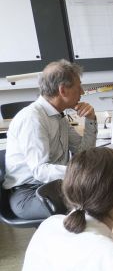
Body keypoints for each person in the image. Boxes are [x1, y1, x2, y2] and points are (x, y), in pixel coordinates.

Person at [2, 60, 97, 219]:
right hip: (29, 194)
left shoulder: (58, 116)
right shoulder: (33, 119)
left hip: (54, 186)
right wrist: (84, 173)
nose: (82, 91)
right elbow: (41, 171)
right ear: (63, 90)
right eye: (78, 86)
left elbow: (83, 153)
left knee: (104, 191)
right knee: (97, 200)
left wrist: (91, 120)